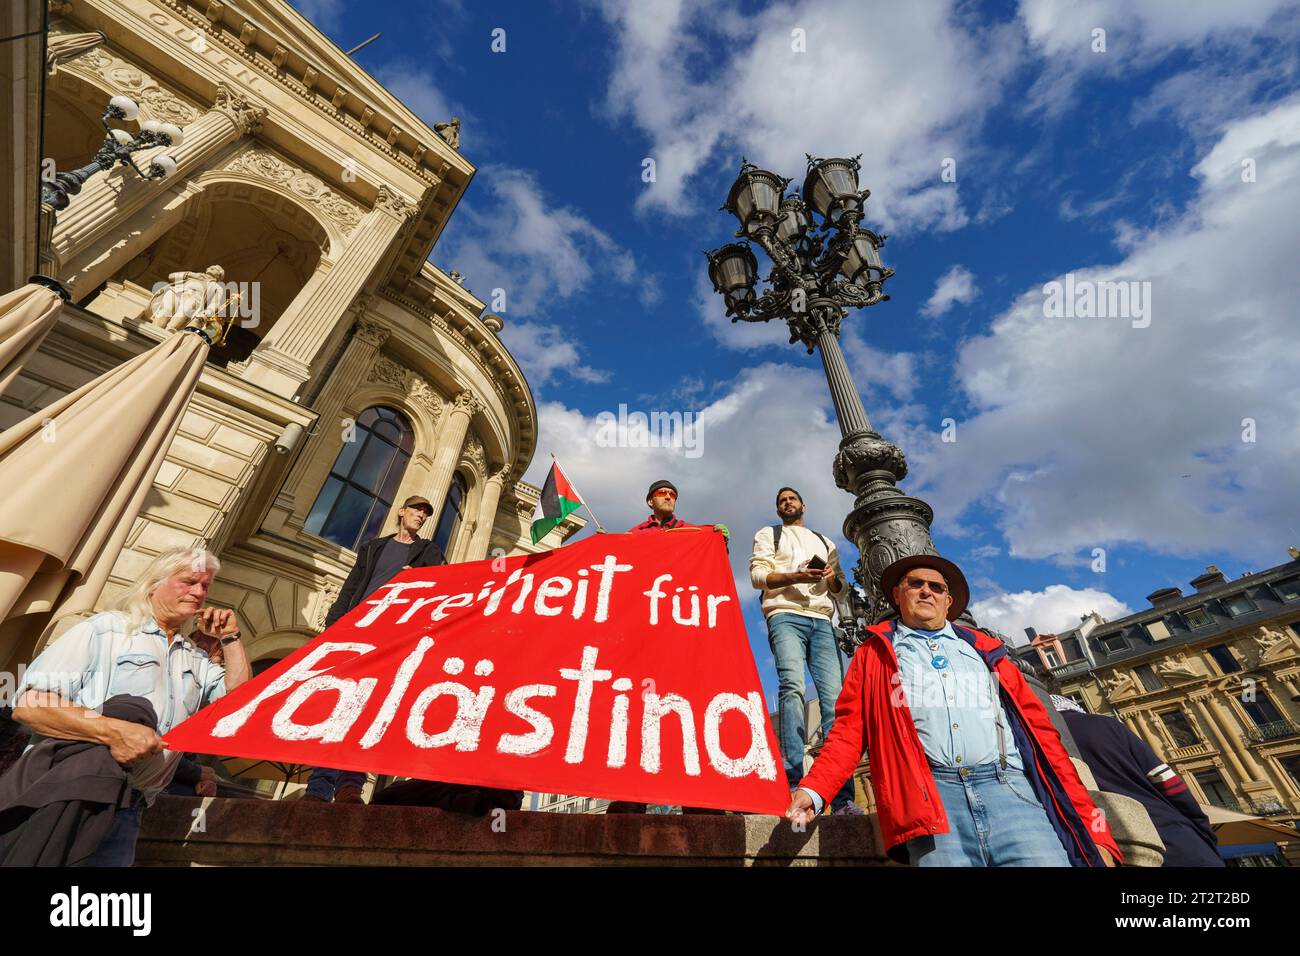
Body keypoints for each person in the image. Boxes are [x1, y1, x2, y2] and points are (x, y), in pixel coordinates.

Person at [786, 555, 1122, 867]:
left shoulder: (987, 651)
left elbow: (1046, 740)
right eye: (915, 583)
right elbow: (848, 732)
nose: (926, 591)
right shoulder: (873, 654)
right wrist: (814, 790)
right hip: (932, 805)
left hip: (1014, 794)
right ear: (897, 595)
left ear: (948, 601)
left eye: (937, 587)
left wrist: (1096, 830)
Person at [0, 546, 249, 866]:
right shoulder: (106, 629)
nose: (199, 592)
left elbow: (241, 703)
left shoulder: (195, 657)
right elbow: (30, 705)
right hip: (71, 792)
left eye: (206, 586)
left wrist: (231, 638)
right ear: (154, 583)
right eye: (190, 581)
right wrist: (114, 731)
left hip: (133, 808)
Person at [303, 495, 442, 804]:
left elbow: (442, 588)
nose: (421, 515)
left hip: (392, 639)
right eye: (417, 509)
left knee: (367, 712)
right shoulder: (372, 548)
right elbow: (352, 586)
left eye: (425, 512)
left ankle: (351, 786)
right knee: (339, 708)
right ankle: (319, 787)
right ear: (402, 511)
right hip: (356, 633)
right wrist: (334, 626)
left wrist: (418, 579)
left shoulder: (428, 552)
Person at [606, 480, 729, 815]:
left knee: (685, 705)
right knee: (641, 707)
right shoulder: (635, 534)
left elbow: (707, 560)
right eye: (663, 494)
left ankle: (698, 797)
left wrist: (717, 541)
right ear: (650, 501)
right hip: (644, 630)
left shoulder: (691, 532)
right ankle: (631, 795)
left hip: (679, 627)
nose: (670, 498)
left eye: (674, 494)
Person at [750, 487, 861, 815]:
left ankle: (842, 797)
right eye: (781, 500)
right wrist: (796, 575)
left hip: (822, 620)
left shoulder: (825, 542)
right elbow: (757, 576)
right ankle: (794, 784)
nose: (787, 503)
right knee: (793, 689)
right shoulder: (768, 534)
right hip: (784, 615)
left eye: (792, 499)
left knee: (835, 703)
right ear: (778, 508)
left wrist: (830, 578)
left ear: (803, 505)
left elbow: (840, 590)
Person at [1050, 694, 1224, 867]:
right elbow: (1168, 782)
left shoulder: (1045, 742)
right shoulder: (1105, 725)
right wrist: (1201, 829)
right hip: (1176, 838)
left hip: (1112, 851)